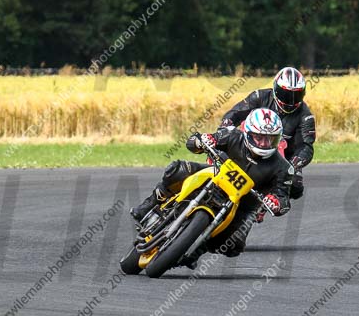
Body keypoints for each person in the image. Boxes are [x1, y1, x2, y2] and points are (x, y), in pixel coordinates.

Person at [130, 108, 293, 260]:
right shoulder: (233, 135)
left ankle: (195, 250)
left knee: (233, 245)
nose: (264, 143)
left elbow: (283, 197)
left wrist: (276, 202)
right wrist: (201, 141)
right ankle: (150, 204)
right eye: (259, 137)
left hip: (244, 205)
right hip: (215, 177)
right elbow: (197, 140)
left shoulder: (283, 167)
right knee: (177, 170)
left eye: (270, 139)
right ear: (248, 133)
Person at [219, 67, 315, 199]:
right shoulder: (260, 96)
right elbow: (235, 113)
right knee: (219, 151)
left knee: (296, 188)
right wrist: (225, 127)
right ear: (276, 89)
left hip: (281, 156)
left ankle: (258, 208)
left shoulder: (306, 115)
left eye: (296, 95)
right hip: (249, 144)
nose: (290, 101)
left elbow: (306, 146)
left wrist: (294, 163)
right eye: (286, 95)